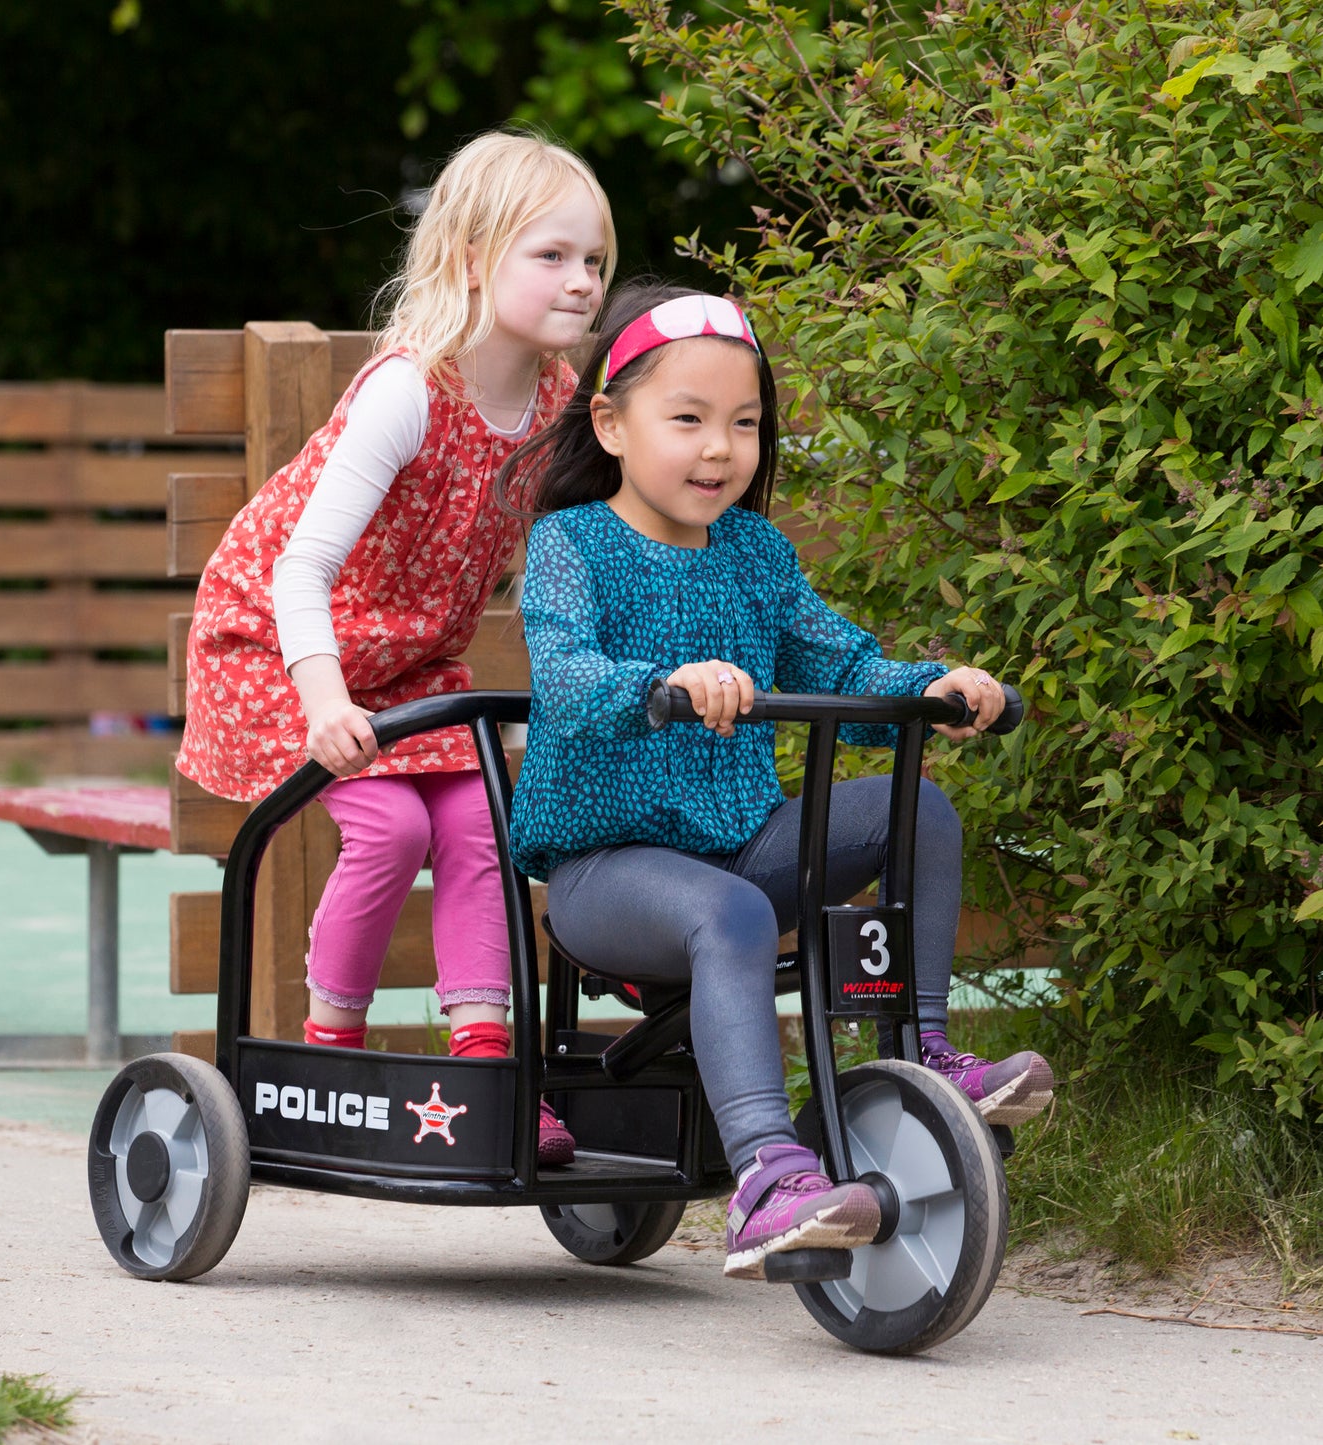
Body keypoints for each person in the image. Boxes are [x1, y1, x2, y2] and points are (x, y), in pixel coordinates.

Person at [497, 281, 1053, 1278]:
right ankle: (763, 1173)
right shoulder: (570, 545)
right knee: (734, 916)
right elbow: (566, 674)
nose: (720, 449)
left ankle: (923, 1049)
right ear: (611, 422)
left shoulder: (753, 552)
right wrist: (660, 683)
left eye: (743, 424)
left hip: (738, 843)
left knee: (913, 806)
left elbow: (840, 665)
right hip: (604, 866)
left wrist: (935, 685)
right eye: (688, 419)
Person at [176, 130, 617, 1166]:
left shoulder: (558, 406)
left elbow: (583, 545)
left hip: (412, 665)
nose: (581, 280)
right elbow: (298, 568)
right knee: (385, 828)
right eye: (550, 255)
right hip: (285, 646)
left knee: (479, 826)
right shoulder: (408, 390)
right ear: (472, 259)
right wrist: (324, 699)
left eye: (593, 260)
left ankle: (487, 1067)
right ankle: (328, 1056)